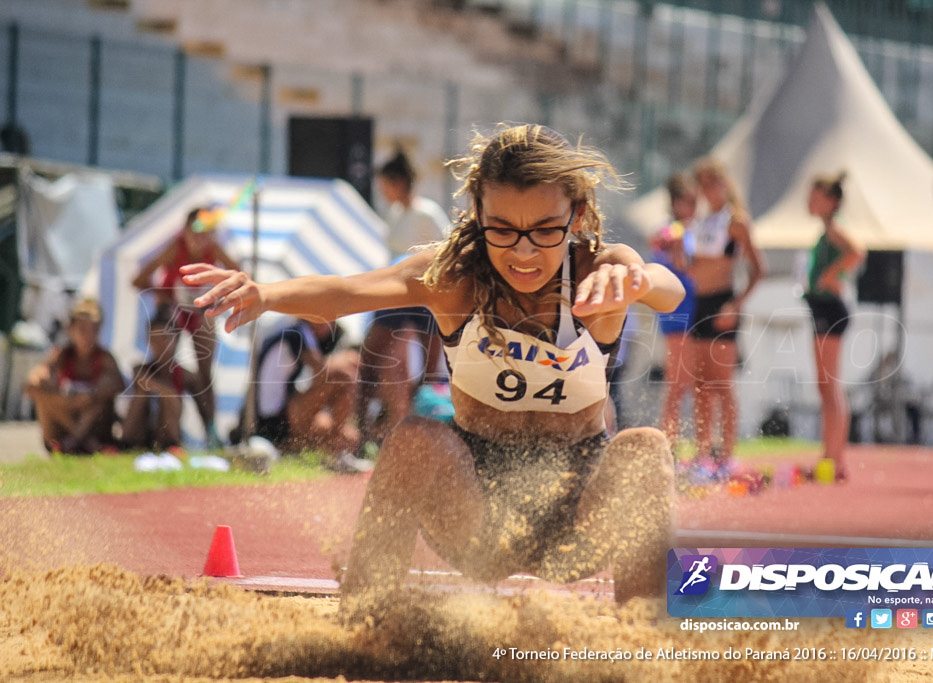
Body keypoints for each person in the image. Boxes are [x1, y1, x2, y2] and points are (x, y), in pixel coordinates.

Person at [181, 124, 685, 602]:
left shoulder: (603, 270)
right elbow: (352, 290)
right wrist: (265, 293)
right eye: (503, 230)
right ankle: (365, 623)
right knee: (417, 438)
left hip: (578, 515)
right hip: (476, 514)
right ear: (478, 214)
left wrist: (639, 282)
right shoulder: (453, 277)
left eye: (544, 231)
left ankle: (643, 636)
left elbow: (667, 288)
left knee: (645, 447)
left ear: (575, 216)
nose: (524, 252)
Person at [356, 149, 450, 452]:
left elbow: (445, 252)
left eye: (386, 185)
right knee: (372, 355)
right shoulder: (395, 214)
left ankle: (427, 438)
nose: (383, 192)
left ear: (398, 183)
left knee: (431, 369)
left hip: (425, 293)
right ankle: (363, 431)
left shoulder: (427, 213)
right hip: (397, 292)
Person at [132, 206, 241, 449]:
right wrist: (165, 295)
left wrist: (220, 297)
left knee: (205, 374)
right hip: (174, 312)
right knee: (169, 369)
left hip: (199, 312)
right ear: (185, 231)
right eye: (195, 231)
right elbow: (138, 279)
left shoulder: (214, 250)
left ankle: (211, 432)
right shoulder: (175, 248)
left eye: (206, 232)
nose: (199, 238)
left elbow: (241, 276)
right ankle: (169, 433)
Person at [684, 157, 765, 474]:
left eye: (713, 182)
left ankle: (727, 455)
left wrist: (736, 305)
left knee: (721, 383)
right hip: (699, 304)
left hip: (723, 304)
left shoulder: (736, 221)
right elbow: (693, 269)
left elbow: (759, 269)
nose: (708, 189)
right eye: (702, 184)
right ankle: (703, 452)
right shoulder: (699, 222)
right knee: (700, 384)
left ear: (725, 183)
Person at [802, 172, 864, 482]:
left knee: (830, 384)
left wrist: (831, 275)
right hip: (820, 308)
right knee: (824, 385)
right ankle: (830, 456)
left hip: (830, 308)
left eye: (816, 197)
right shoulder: (826, 230)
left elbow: (857, 251)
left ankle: (836, 459)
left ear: (832, 201)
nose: (809, 202)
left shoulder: (837, 228)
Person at [252, 317, 371, 472]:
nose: (331, 323)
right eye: (328, 316)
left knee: (350, 437)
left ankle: (338, 448)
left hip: (283, 418)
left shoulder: (299, 333)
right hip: (274, 423)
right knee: (346, 376)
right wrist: (342, 360)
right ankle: (338, 452)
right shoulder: (295, 334)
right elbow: (321, 372)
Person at [23, 298, 125, 454]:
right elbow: (31, 384)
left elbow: (118, 385)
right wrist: (68, 401)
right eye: (83, 329)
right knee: (42, 396)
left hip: (96, 426)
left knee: (99, 399)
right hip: (67, 425)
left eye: (94, 330)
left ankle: (76, 441)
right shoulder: (62, 355)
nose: (88, 336)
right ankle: (79, 440)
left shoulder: (104, 358)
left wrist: (89, 396)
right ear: (71, 330)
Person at [653, 171, 699, 444]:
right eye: (689, 201)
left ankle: (684, 442)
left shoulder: (691, 229)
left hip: (695, 308)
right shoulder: (672, 230)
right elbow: (661, 246)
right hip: (678, 311)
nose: (693, 207)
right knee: (677, 383)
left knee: (691, 382)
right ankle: (668, 443)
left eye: (695, 201)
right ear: (676, 202)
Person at [121, 306, 204, 452]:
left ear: (175, 339)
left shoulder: (185, 375)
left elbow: (203, 405)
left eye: (164, 338)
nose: (159, 344)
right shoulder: (141, 369)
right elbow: (142, 381)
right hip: (140, 433)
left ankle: (169, 444)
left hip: (167, 432)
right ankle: (128, 444)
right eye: (154, 339)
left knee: (169, 397)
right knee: (144, 393)